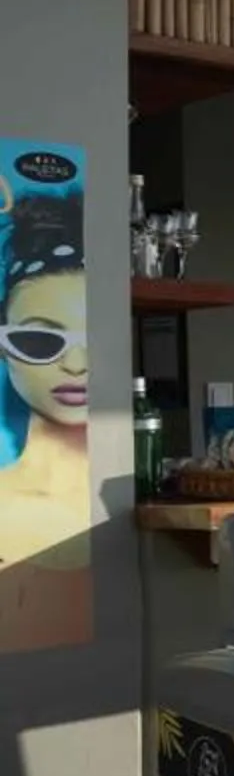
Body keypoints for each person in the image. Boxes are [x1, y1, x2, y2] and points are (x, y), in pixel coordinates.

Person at [0, 188, 92, 631]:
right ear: (4, 349)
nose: (76, 364)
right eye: (39, 340)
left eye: (95, 339)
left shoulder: (142, 495)